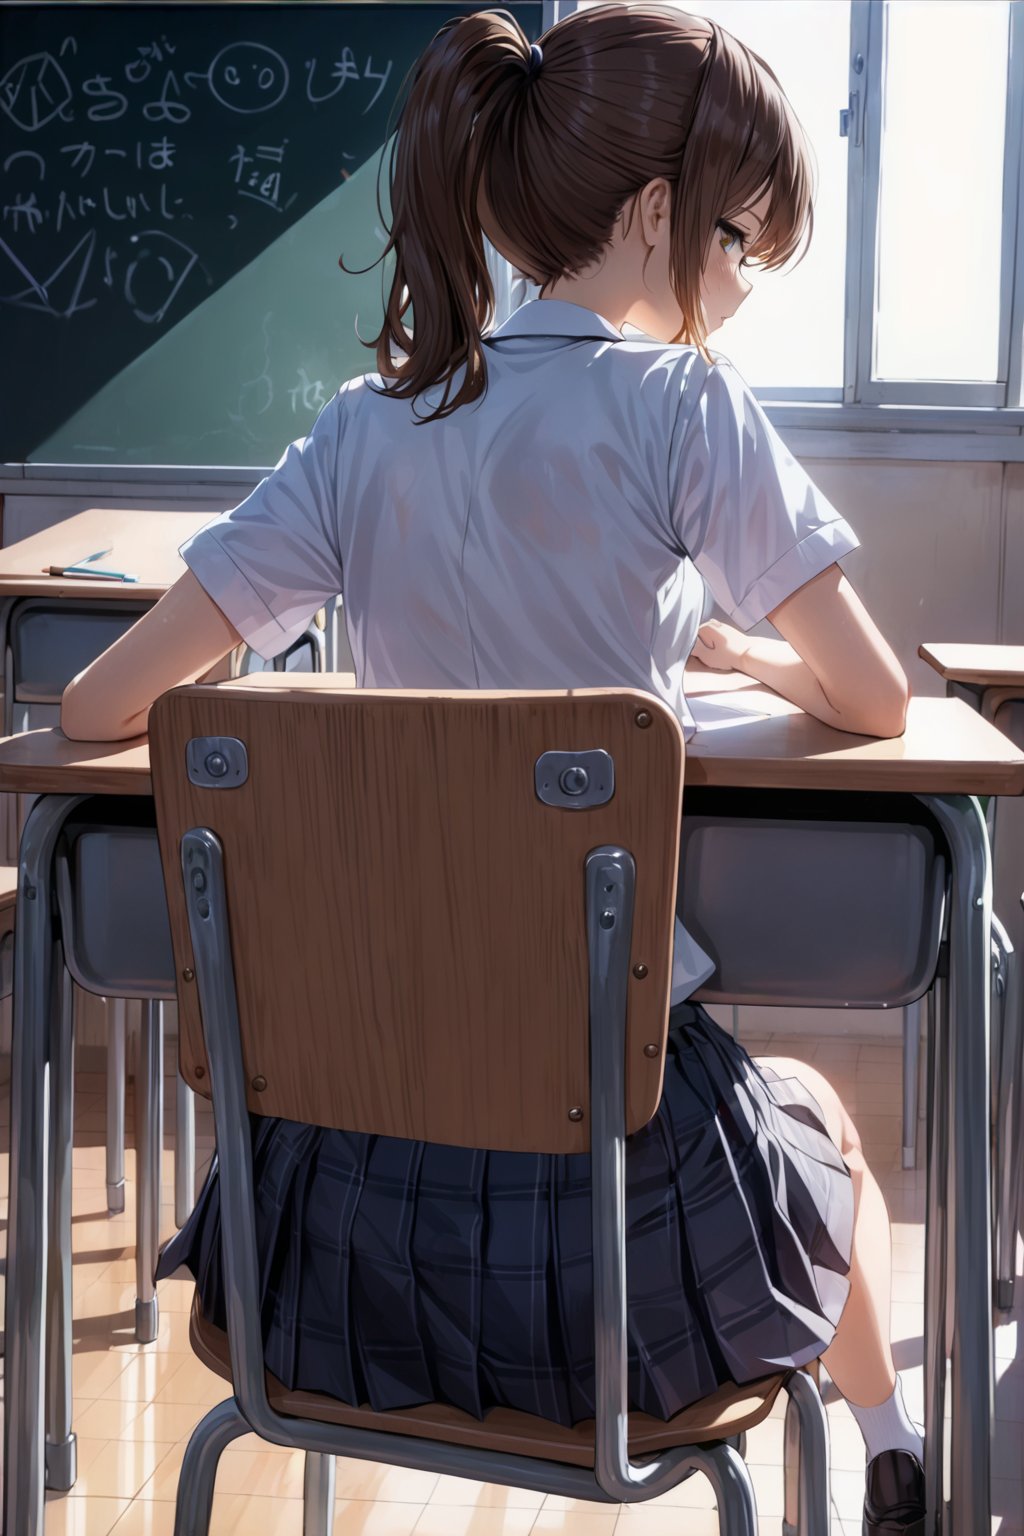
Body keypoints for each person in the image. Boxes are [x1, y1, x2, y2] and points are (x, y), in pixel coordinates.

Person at [60, 7, 924, 1532]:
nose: (736, 291)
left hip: (336, 1246)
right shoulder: (684, 409)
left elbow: (95, 710)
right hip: (612, 1267)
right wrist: (753, 661)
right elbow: (875, 696)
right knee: (816, 1119)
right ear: (655, 215)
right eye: (735, 242)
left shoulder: (361, 431)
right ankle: (894, 1449)